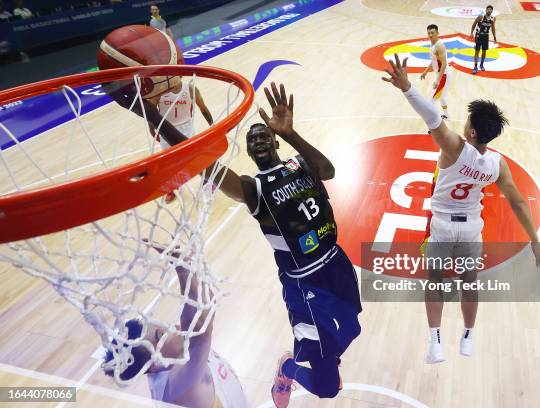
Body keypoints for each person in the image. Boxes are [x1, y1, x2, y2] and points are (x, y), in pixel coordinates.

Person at [201, 82, 362, 408]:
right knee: (328, 388)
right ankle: (289, 367)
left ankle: (321, 354)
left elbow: (328, 170)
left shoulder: (300, 164)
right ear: (248, 152)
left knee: (352, 330)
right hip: (305, 284)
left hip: (336, 262)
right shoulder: (252, 188)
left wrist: (291, 133)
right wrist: (191, 143)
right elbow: (214, 172)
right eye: (251, 141)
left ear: (274, 140)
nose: (258, 141)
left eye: (263, 136)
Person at [382, 54, 540, 363]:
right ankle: (468, 336)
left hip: (442, 226)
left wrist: (407, 88)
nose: (463, 123)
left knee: (436, 282)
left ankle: (435, 343)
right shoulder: (498, 164)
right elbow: (518, 201)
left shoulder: (455, 148)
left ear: (471, 133)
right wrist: (534, 239)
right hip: (471, 228)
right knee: (470, 284)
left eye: (468, 121)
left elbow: (432, 118)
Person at [102, 244, 248, 408]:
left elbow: (207, 307)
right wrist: (182, 268)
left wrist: (191, 269)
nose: (171, 328)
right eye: (160, 335)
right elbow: (200, 327)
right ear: (154, 365)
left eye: (160, 326)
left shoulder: (177, 358)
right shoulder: (177, 387)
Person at [148, 79, 214, 203]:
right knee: (168, 164)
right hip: (166, 130)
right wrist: (152, 129)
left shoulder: (190, 89)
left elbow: (203, 108)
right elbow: (151, 112)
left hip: (186, 129)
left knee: (196, 159)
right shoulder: (159, 91)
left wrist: (212, 125)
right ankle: (171, 188)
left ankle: (208, 181)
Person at [420, 24, 451, 120]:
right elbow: (433, 61)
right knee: (441, 97)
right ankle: (446, 115)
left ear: (437, 33)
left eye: (432, 33)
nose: (430, 35)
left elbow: (444, 63)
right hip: (440, 74)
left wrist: (438, 79)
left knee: (432, 100)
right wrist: (425, 71)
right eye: (428, 33)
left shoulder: (439, 46)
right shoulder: (432, 44)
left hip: (443, 75)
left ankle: (434, 125)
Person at [470, 5, 497, 74]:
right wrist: (471, 33)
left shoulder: (492, 19)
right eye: (488, 9)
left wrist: (494, 38)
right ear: (486, 10)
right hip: (479, 35)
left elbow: (493, 29)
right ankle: (475, 67)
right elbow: (474, 24)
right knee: (477, 51)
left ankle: (481, 64)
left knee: (484, 52)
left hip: (486, 36)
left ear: (492, 11)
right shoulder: (480, 17)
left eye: (491, 9)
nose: (489, 10)